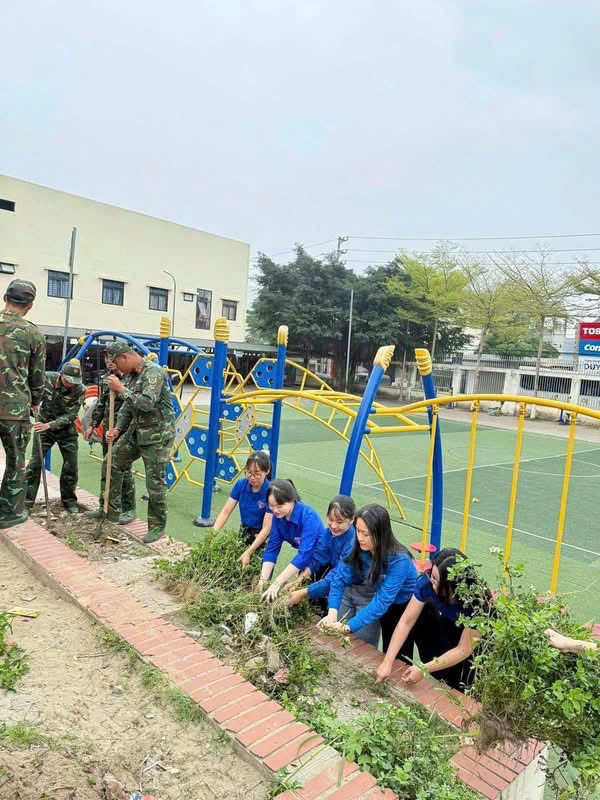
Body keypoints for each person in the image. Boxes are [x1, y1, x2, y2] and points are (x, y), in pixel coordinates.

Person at [375, 548, 488, 691]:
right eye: (432, 577)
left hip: (473, 642)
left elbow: (463, 649)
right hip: (448, 623)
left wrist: (424, 669)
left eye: (437, 581)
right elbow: (406, 622)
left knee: (461, 683)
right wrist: (387, 661)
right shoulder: (427, 583)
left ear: (454, 586)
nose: (432, 583)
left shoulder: (476, 604)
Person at [104, 341, 175, 544]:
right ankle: (121, 510)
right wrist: (117, 429)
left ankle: (157, 527)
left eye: (117, 364)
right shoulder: (132, 376)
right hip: (136, 432)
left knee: (154, 483)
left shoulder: (153, 372)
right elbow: (128, 407)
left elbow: (146, 403)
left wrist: (121, 389)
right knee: (113, 462)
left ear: (125, 357)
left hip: (157, 436)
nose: (117, 370)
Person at [318, 504, 417, 648]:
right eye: (358, 531)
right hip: (384, 601)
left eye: (366, 534)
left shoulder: (400, 560)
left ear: (380, 533)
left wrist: (347, 627)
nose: (360, 538)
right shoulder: (358, 544)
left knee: (397, 651)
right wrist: (333, 611)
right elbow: (339, 577)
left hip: (404, 605)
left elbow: (382, 601)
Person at [0, 279, 46, 529]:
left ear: (4, 298)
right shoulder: (33, 334)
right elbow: (37, 377)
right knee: (15, 462)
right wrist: (36, 402)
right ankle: (9, 514)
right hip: (15, 410)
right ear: (29, 305)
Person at [25, 360, 85, 514]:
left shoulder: (80, 389)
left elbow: (71, 415)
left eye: (74, 382)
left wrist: (50, 425)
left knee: (71, 466)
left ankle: (69, 501)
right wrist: (32, 404)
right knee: (35, 464)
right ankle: (26, 501)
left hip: (66, 430)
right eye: (68, 381)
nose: (71, 385)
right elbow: (29, 391)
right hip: (43, 427)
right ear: (61, 375)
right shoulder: (46, 379)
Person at [84, 353, 137, 524]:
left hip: (124, 431)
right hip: (109, 430)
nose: (108, 361)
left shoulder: (132, 379)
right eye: (106, 358)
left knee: (124, 470)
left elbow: (135, 402)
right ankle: (105, 507)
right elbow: (101, 403)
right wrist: (93, 424)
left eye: (111, 358)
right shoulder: (108, 379)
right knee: (107, 467)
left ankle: (129, 508)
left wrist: (120, 388)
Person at [289, 495, 356, 611]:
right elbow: (317, 559)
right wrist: (298, 581)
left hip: (354, 586)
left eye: (340, 522)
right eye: (330, 519)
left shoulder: (353, 543)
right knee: (308, 569)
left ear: (351, 520)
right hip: (337, 576)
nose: (334, 526)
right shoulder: (328, 533)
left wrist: (303, 592)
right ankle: (316, 608)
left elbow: (336, 577)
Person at [260, 480, 324, 601]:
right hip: (307, 564)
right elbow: (272, 549)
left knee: (318, 602)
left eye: (279, 506)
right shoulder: (278, 518)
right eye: (271, 506)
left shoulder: (309, 517)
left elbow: (304, 555)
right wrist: (262, 581)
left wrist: (277, 583)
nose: (275, 510)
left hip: (324, 563)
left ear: (292, 500)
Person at [213, 451, 272, 559]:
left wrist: (249, 552)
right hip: (245, 531)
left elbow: (267, 528)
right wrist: (212, 536)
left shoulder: (271, 492)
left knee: (259, 571)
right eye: (249, 472)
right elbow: (225, 513)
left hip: (264, 537)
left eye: (257, 474)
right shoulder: (241, 485)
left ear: (267, 471)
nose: (252, 477)